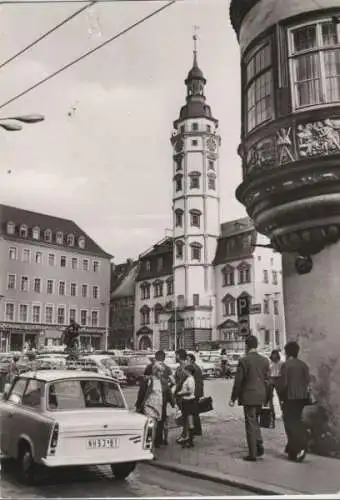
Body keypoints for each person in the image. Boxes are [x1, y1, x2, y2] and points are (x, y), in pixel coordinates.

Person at [229, 335, 270, 461]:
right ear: (256, 345)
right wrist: (267, 397)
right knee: (255, 420)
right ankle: (258, 442)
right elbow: (268, 380)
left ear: (246, 346)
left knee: (250, 422)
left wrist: (233, 397)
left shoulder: (244, 361)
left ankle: (253, 453)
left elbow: (238, 381)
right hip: (261, 394)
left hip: (249, 395)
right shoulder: (265, 360)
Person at [279, 341, 310, 462]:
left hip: (289, 398)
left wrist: (281, 398)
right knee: (296, 420)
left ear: (287, 352)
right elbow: (307, 381)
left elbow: (283, 385)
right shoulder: (303, 365)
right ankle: (293, 448)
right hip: (301, 398)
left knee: (289, 423)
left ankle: (296, 448)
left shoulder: (286, 365)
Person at [135, 362, 164, 449]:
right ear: (155, 371)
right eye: (160, 372)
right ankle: (150, 449)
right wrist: (139, 405)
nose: (161, 374)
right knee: (151, 428)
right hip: (149, 407)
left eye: (162, 372)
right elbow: (142, 393)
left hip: (158, 408)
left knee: (153, 428)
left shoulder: (161, 381)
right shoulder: (150, 380)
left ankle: (150, 448)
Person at [153, 350, 175, 447]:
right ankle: (160, 439)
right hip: (164, 396)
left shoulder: (151, 367)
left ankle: (154, 440)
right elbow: (173, 381)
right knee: (161, 418)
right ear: (164, 358)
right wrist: (167, 388)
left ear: (156, 357)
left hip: (153, 395)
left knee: (153, 418)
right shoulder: (168, 368)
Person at [177, 364, 197, 448]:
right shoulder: (189, 379)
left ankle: (190, 441)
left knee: (190, 421)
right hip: (186, 401)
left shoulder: (190, 379)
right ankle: (188, 439)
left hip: (189, 401)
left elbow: (190, 391)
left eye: (185, 370)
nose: (184, 371)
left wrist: (180, 393)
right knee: (187, 420)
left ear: (188, 371)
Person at [187, 353, 203, 437]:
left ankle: (196, 430)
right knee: (195, 412)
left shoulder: (193, 368)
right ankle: (197, 430)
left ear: (192, 360)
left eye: (188, 359)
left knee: (193, 412)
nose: (187, 361)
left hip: (195, 393)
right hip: (197, 392)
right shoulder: (196, 367)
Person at [174, 349, 188, 443]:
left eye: (176, 355)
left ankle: (186, 435)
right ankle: (184, 433)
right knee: (183, 415)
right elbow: (175, 379)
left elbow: (181, 382)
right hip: (179, 395)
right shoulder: (179, 367)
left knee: (185, 415)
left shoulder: (186, 367)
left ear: (179, 356)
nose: (175, 357)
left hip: (184, 395)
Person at [268, 349, 283, 418]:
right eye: (273, 354)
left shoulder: (281, 363)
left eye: (275, 354)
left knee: (281, 397)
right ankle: (272, 413)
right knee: (270, 397)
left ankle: (283, 412)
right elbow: (268, 372)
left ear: (277, 355)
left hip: (279, 379)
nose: (274, 356)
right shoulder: (270, 363)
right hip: (271, 379)